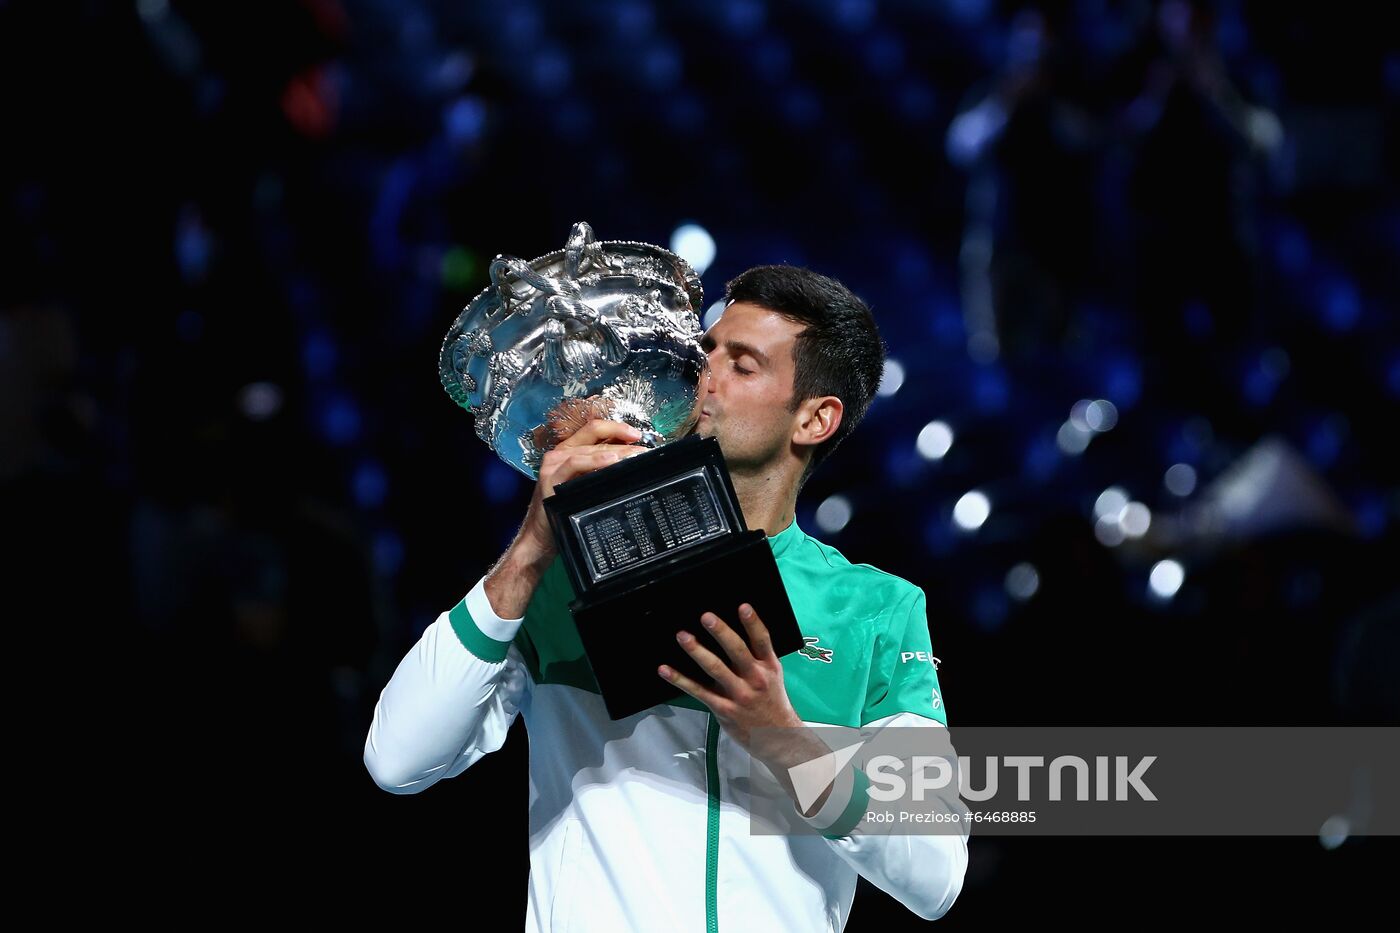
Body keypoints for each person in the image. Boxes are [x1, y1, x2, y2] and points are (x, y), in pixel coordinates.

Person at [364, 265, 968, 930]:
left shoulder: (875, 608)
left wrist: (783, 738)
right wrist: (534, 545)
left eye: (742, 365)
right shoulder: (563, 571)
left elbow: (935, 873)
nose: (704, 375)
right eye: (706, 350)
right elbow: (398, 758)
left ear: (814, 418)